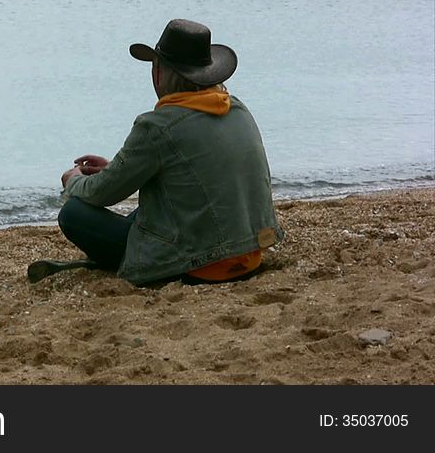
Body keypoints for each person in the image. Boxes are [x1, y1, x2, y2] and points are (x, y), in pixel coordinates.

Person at [28, 19, 284, 285]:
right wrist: (114, 169)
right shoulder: (237, 109)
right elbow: (193, 170)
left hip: (199, 263)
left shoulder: (157, 126)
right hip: (249, 252)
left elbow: (100, 194)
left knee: (74, 214)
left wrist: (72, 180)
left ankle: (118, 262)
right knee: (152, 207)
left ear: (160, 73)